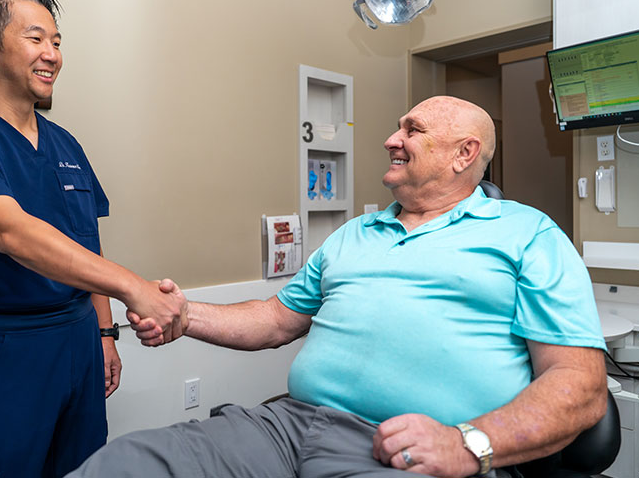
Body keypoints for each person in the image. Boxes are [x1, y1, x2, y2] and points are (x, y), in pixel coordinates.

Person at [69, 96, 609, 478]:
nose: (391, 139)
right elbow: (277, 319)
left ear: (463, 155)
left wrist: (467, 444)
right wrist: (184, 315)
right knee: (122, 465)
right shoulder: (355, 233)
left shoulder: (528, 234)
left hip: (414, 448)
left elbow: (579, 384)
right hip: (287, 426)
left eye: (412, 130)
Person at [0, 0, 187, 478]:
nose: (52, 55)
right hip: (6, 347)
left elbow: (87, 242)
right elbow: (10, 233)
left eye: (57, 42)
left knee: (83, 468)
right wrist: (133, 286)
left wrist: (104, 332)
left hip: (79, 340)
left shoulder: (66, 144)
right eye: (37, 39)